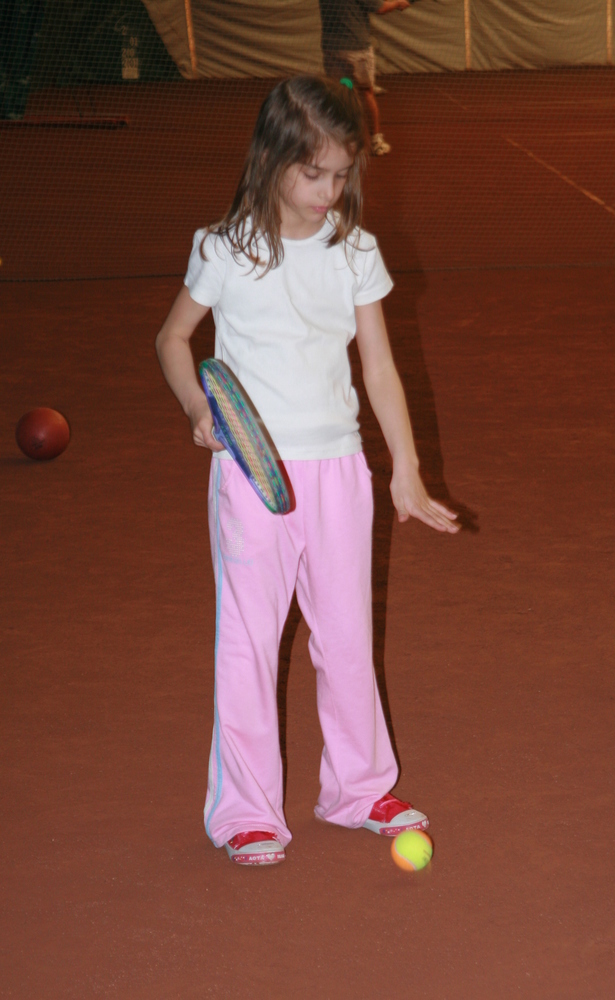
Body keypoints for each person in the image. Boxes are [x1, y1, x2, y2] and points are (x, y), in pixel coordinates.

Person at [155, 76, 459, 866]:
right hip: (250, 475)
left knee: (348, 638)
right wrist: (195, 406)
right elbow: (172, 338)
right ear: (272, 159)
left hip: (338, 471)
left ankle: (356, 789)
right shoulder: (223, 248)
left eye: (340, 175)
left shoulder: (353, 250)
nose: (328, 191)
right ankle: (245, 811)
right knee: (248, 645)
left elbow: (379, 367)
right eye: (313, 173)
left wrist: (404, 470)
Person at [319, 0, 410, 155]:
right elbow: (380, 8)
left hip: (331, 50)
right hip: (357, 50)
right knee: (366, 92)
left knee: (338, 92)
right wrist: (397, 3)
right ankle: (376, 142)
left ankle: (336, 141)